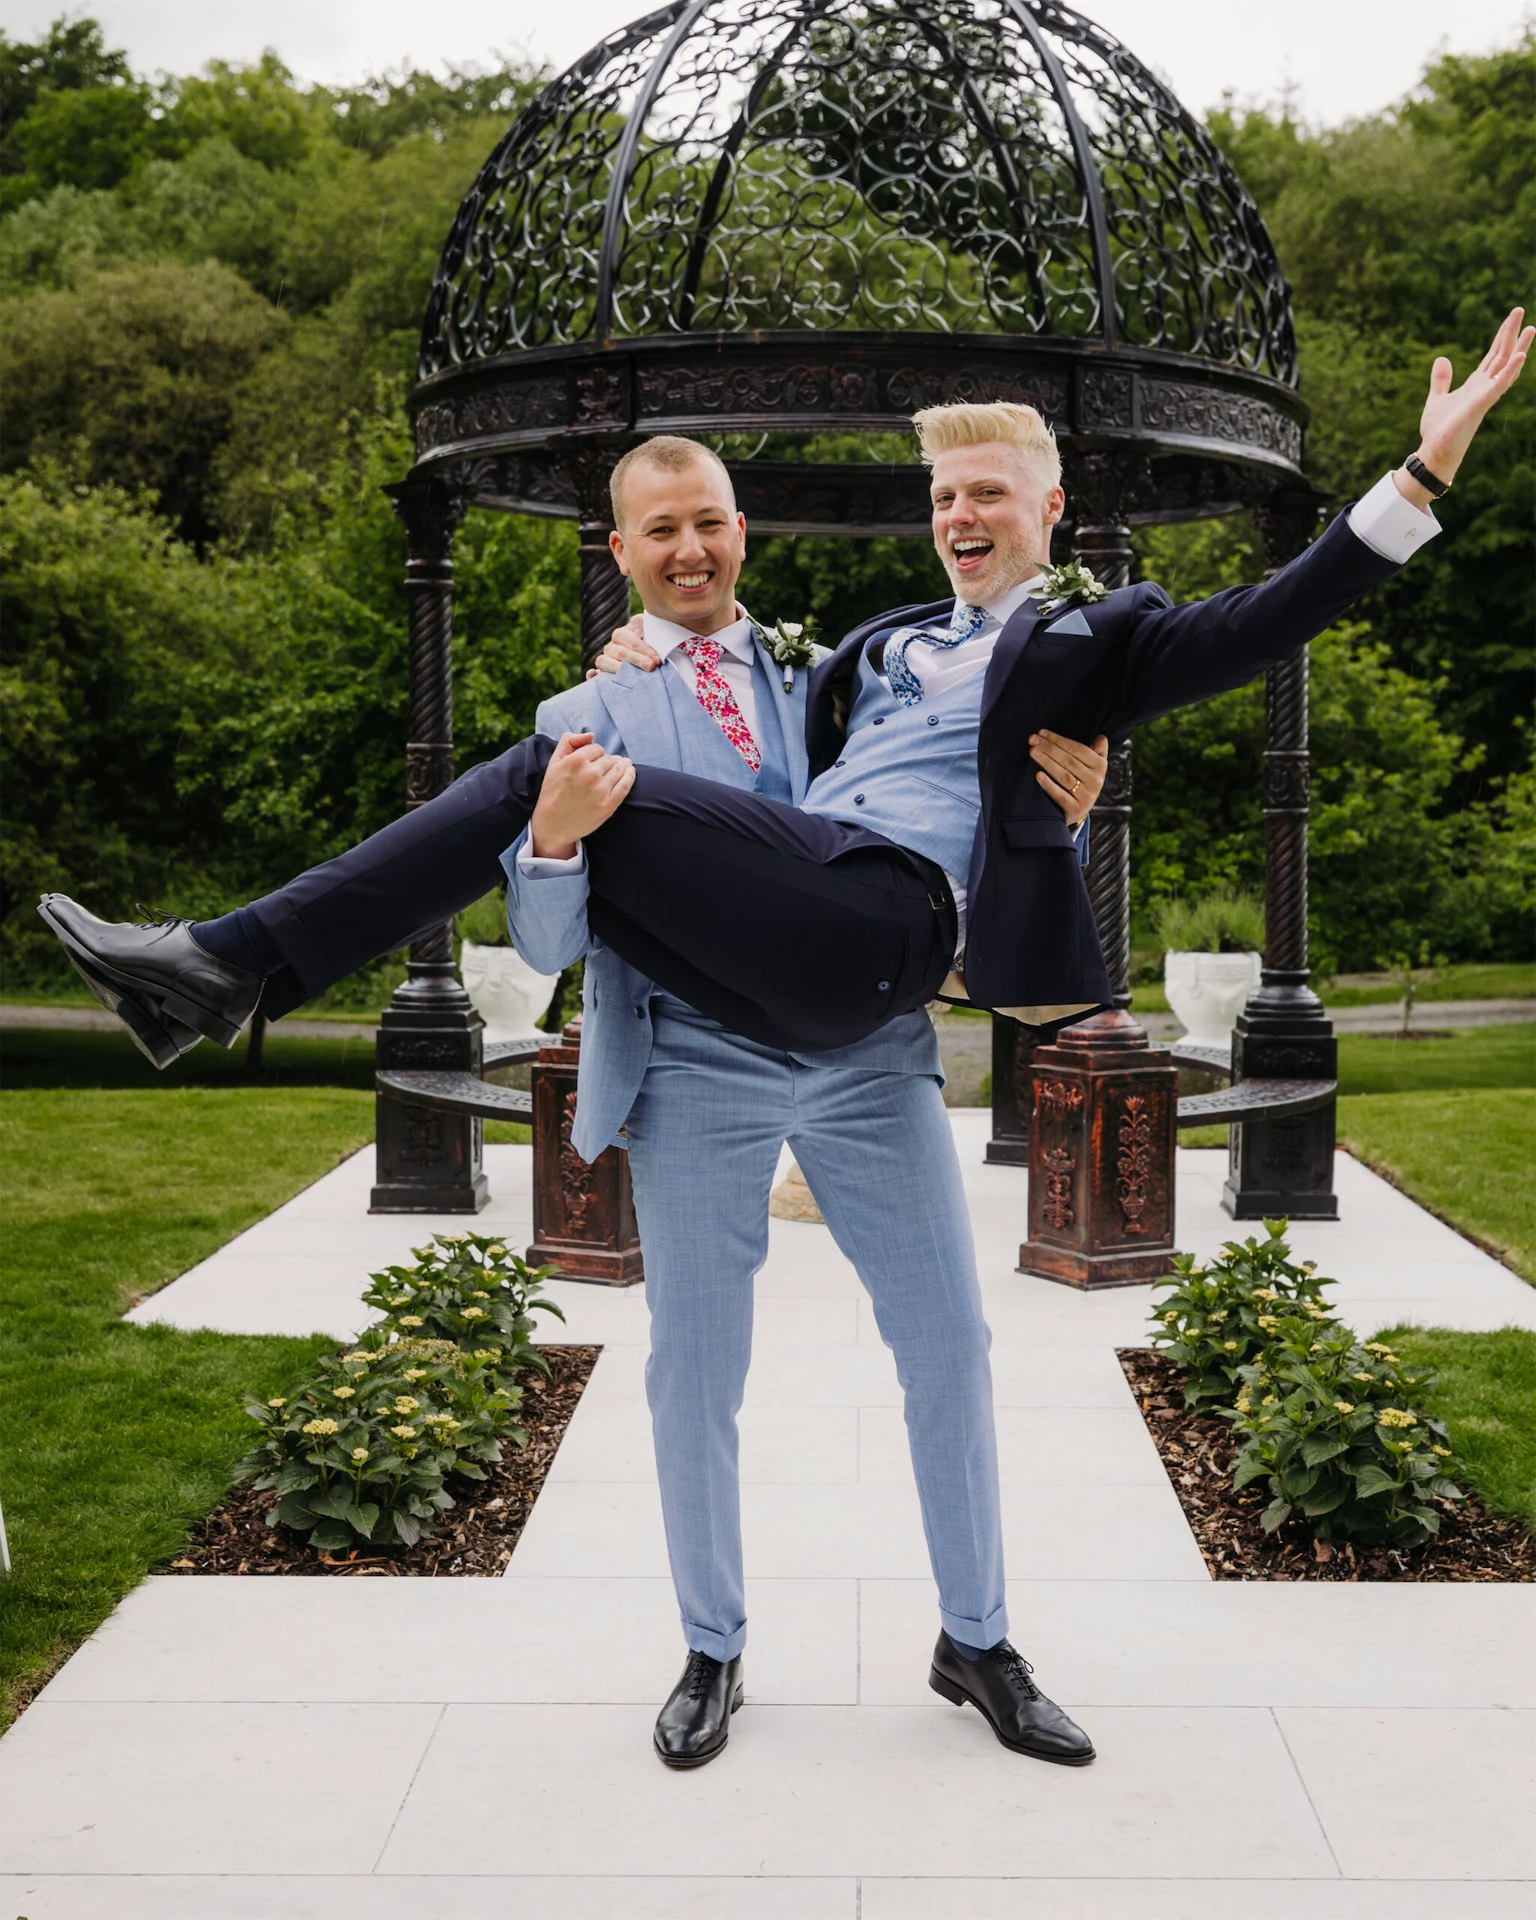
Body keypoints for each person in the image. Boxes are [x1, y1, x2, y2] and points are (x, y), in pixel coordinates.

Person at [40, 311, 1530, 1072]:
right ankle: (211, 985)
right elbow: (741, 714)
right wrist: (646, 648)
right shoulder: (870, 652)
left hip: (888, 925)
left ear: (1051, 508)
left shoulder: (1102, 639)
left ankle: (225, 967)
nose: (961, 513)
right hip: (788, 934)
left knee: (539, 770)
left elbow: (1281, 612)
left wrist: (1422, 472)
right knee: (561, 785)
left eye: (989, 492)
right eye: (944, 493)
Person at [501, 433, 1106, 1769]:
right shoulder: (581, 712)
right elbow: (546, 946)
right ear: (622, 550)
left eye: (709, 522)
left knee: (949, 1345)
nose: (691, 551)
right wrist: (551, 839)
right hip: (693, 1062)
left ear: (742, 529)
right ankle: (711, 1649)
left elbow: (954, 810)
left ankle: (978, 1642)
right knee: (695, 1370)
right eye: (661, 530)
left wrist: (1066, 801)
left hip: (871, 1056)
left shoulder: (836, 677)